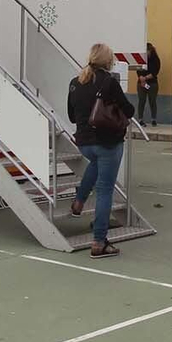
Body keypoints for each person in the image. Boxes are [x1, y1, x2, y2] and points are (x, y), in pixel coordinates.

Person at [67, 43, 136, 258]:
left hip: (84, 142)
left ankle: (79, 201)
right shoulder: (109, 81)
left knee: (95, 164)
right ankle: (98, 242)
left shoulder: (75, 82)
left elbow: (71, 115)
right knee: (105, 190)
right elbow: (130, 110)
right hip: (107, 142)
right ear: (108, 60)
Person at [135, 42, 161, 127]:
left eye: (147, 51)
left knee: (152, 101)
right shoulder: (141, 59)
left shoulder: (156, 60)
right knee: (141, 101)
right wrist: (141, 79)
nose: (146, 53)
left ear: (151, 51)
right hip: (141, 83)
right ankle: (140, 119)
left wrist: (145, 78)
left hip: (152, 83)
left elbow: (154, 72)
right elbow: (138, 69)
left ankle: (154, 119)